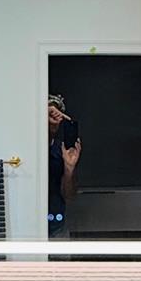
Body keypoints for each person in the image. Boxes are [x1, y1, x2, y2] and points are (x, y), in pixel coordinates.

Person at [48, 94, 81, 238]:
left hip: (56, 225)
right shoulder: (27, 148)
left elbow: (69, 195)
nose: (54, 121)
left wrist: (69, 169)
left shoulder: (61, 150)